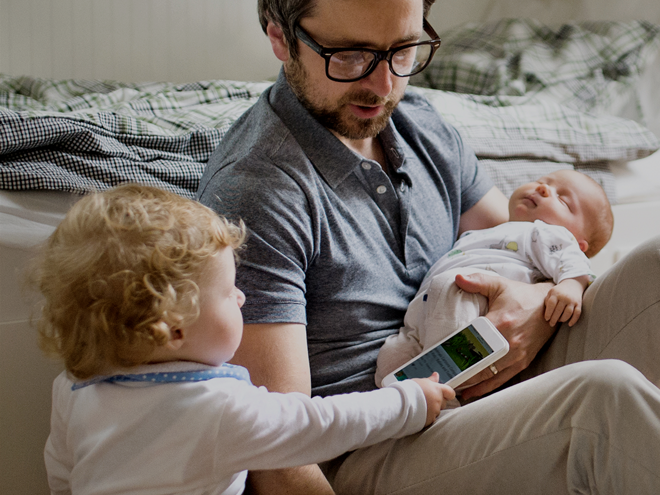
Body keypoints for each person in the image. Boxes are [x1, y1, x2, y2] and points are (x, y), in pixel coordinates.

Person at [197, 0, 660, 493]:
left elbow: (517, 244)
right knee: (600, 403)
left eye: (403, 50)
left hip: (476, 373)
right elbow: (278, 454)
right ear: (280, 38)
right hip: (370, 444)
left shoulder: (420, 123)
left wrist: (530, 309)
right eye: (352, 55)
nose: (382, 86)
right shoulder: (257, 192)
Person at [33, 184, 455, 495]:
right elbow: (322, 423)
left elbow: (63, 473)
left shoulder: (74, 385)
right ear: (174, 327)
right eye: (227, 292)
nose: (242, 296)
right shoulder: (218, 406)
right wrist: (412, 401)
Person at [375, 169, 613, 386]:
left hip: (473, 304)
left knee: (448, 287)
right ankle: (405, 401)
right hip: (423, 315)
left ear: (577, 240)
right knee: (390, 360)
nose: (542, 188)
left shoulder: (547, 234)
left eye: (562, 200)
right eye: (541, 181)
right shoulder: (491, 230)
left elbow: (572, 260)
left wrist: (573, 283)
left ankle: (442, 394)